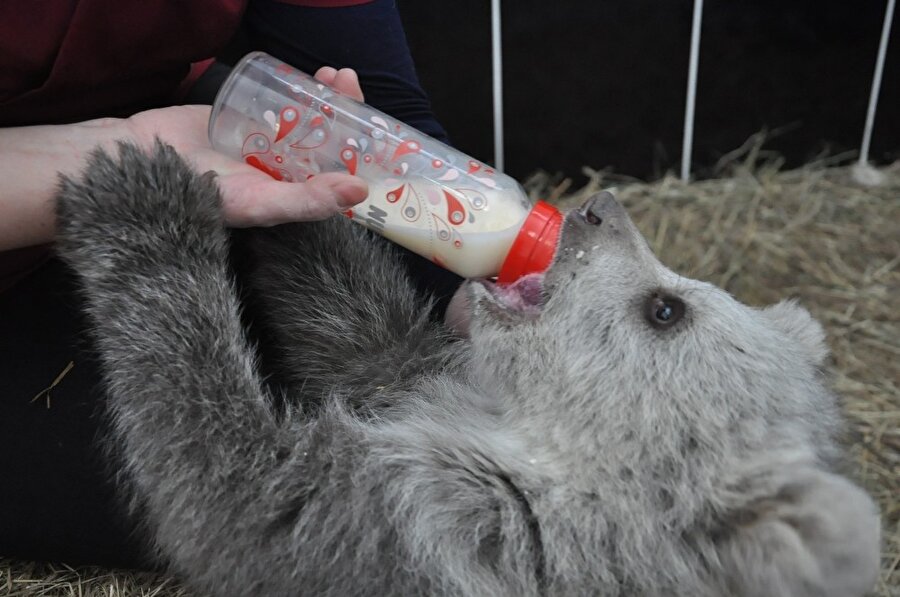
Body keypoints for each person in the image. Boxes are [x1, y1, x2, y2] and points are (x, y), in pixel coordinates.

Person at [0, 0, 462, 568]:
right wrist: (111, 170)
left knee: (370, 415)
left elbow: (388, 118)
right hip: (67, 205)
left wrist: (466, 286)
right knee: (324, 522)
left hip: (175, 138)